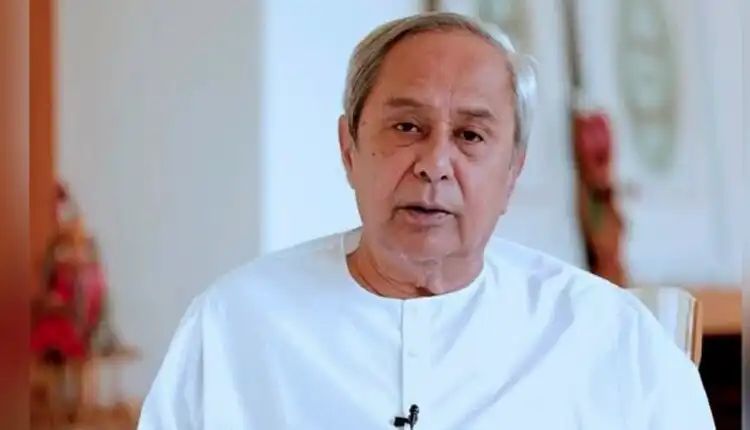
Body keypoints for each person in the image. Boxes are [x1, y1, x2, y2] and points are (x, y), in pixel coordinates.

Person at [138, 12, 713, 429]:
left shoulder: (612, 338)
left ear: (513, 171)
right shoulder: (233, 325)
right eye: (407, 127)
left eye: (470, 135)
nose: (435, 164)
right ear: (348, 149)